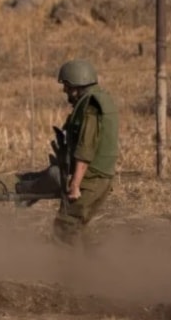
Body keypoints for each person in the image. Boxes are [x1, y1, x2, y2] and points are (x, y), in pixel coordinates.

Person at [48, 59, 119, 246]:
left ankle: (68, 273)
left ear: (75, 86)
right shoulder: (103, 99)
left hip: (90, 179)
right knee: (77, 230)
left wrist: (75, 184)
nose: (64, 91)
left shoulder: (90, 107)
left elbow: (85, 149)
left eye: (66, 85)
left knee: (64, 229)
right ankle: (89, 270)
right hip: (102, 178)